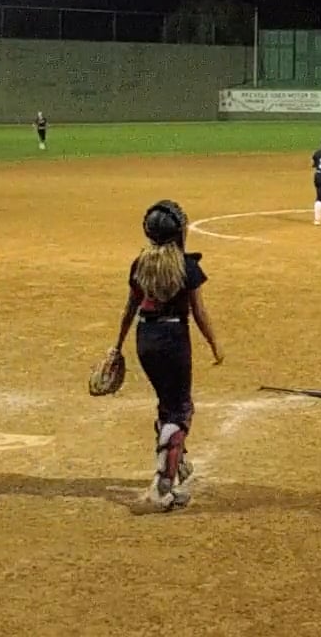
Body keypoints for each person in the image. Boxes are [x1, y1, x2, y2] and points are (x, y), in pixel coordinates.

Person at [108, 201, 223, 513]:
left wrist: (117, 345)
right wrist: (214, 344)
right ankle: (162, 486)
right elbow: (199, 312)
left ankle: (176, 461)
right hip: (173, 338)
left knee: (167, 402)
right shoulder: (186, 267)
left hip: (144, 338)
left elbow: (130, 308)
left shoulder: (140, 264)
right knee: (179, 410)